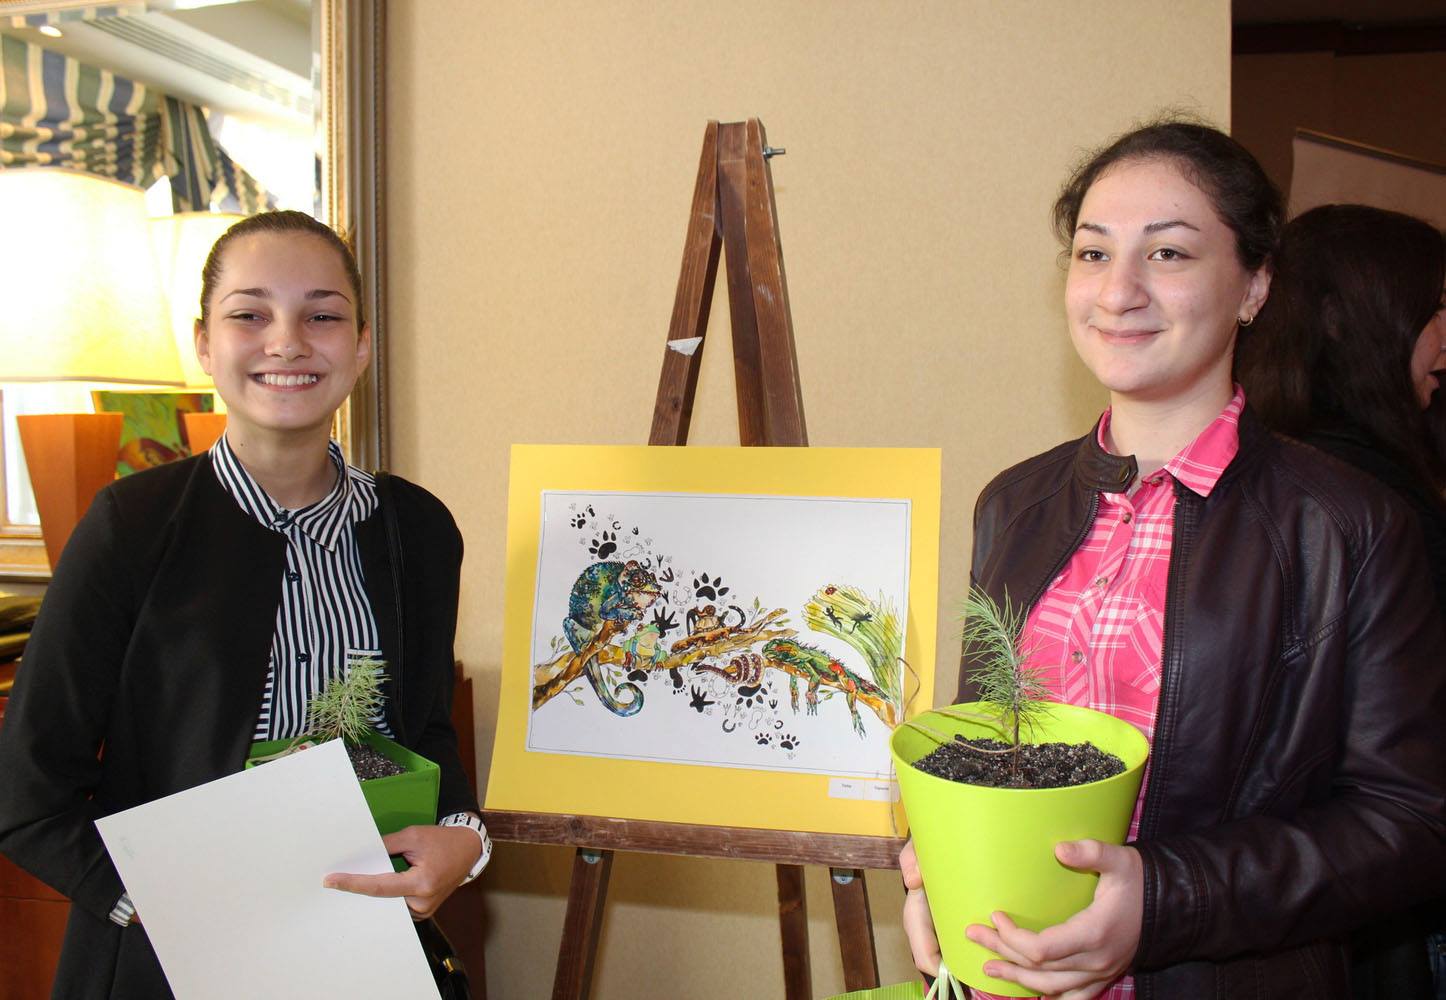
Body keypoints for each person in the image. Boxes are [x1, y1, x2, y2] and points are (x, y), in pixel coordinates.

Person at [900, 121, 1446, 999]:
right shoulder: (1015, 504)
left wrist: (1164, 901)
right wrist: (940, 860)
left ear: (1255, 286)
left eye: (1168, 254)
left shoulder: (1347, 524)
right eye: (1093, 253)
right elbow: (991, 747)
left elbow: (1408, 821)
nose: (1118, 292)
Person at [0, 211, 489, 999]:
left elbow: (425, 730)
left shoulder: (418, 529)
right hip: (168, 958)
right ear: (204, 343)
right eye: (249, 315)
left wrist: (465, 838)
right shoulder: (131, 527)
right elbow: (27, 791)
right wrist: (158, 906)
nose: (287, 342)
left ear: (361, 344)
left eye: (322, 316)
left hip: (363, 949)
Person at [1236, 202, 1446, 999]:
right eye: (1431, 309)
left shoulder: (1267, 480)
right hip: (1366, 909)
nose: (1444, 338)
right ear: (1356, 322)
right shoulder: (1366, 510)